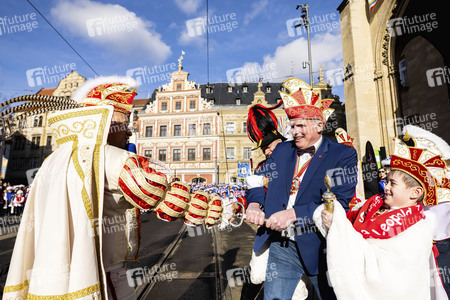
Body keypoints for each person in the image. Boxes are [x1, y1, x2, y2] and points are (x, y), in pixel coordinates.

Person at [3, 76, 170, 299]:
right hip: (106, 278)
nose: (129, 132)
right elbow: (168, 197)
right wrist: (223, 208)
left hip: (50, 275)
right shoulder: (113, 157)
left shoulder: (52, 159)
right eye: (125, 124)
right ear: (107, 122)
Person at [245, 78, 358, 300]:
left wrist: (292, 214)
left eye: (301, 125)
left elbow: (340, 203)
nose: (294, 131)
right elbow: (258, 180)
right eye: (292, 125)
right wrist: (254, 204)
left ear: (319, 125)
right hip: (282, 247)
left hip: (320, 248)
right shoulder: (282, 151)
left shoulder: (343, 155)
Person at [315, 124, 449, 300]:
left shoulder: (418, 228)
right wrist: (332, 221)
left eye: (392, 184)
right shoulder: (373, 204)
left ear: (415, 193)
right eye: (387, 181)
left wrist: (338, 226)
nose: (385, 187)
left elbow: (383, 279)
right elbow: (349, 226)